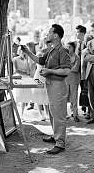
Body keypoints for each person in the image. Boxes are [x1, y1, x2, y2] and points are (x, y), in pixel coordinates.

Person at [22, 24, 71, 154]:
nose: (47, 34)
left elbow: (67, 70)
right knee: (52, 112)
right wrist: (27, 52)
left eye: (49, 32)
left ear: (55, 35)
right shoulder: (52, 49)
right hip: (51, 85)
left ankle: (60, 143)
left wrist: (49, 70)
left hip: (58, 86)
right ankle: (56, 136)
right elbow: (40, 61)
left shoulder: (62, 50)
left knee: (58, 114)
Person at [75, 25, 91, 116]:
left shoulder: (88, 42)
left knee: (87, 90)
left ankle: (89, 111)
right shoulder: (77, 43)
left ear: (82, 33)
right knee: (82, 91)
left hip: (85, 71)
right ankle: (84, 109)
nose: (76, 34)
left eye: (77, 32)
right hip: (79, 72)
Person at [66, 42, 80, 122]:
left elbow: (76, 69)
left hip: (74, 80)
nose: (68, 49)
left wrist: (68, 69)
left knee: (74, 98)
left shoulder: (77, 57)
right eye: (67, 47)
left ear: (73, 48)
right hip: (66, 80)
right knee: (65, 98)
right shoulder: (65, 57)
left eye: (70, 47)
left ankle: (75, 115)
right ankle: (65, 114)